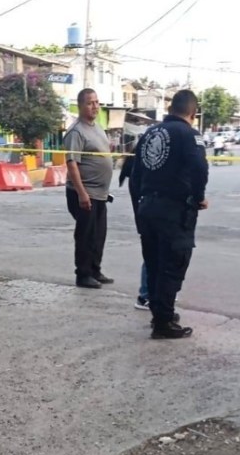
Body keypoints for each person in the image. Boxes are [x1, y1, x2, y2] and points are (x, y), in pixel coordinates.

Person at [129, 90, 209, 339]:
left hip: (147, 208)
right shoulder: (189, 135)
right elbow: (199, 169)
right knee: (172, 266)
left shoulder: (149, 133)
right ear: (193, 113)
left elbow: (134, 176)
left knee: (154, 264)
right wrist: (198, 198)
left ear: (171, 108)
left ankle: (160, 313)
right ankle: (163, 322)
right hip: (174, 211)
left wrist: (138, 211)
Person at [64, 89, 114, 289]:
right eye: (89, 103)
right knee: (85, 235)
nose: (94, 106)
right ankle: (83, 275)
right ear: (80, 106)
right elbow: (72, 164)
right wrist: (82, 193)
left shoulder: (97, 127)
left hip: (100, 194)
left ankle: (95, 270)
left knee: (98, 234)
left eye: (96, 102)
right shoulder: (76, 131)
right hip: (84, 193)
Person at [118, 134, 151, 310]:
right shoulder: (139, 172)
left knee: (155, 254)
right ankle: (145, 295)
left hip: (146, 218)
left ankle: (153, 292)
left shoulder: (136, 167)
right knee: (153, 255)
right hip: (148, 219)